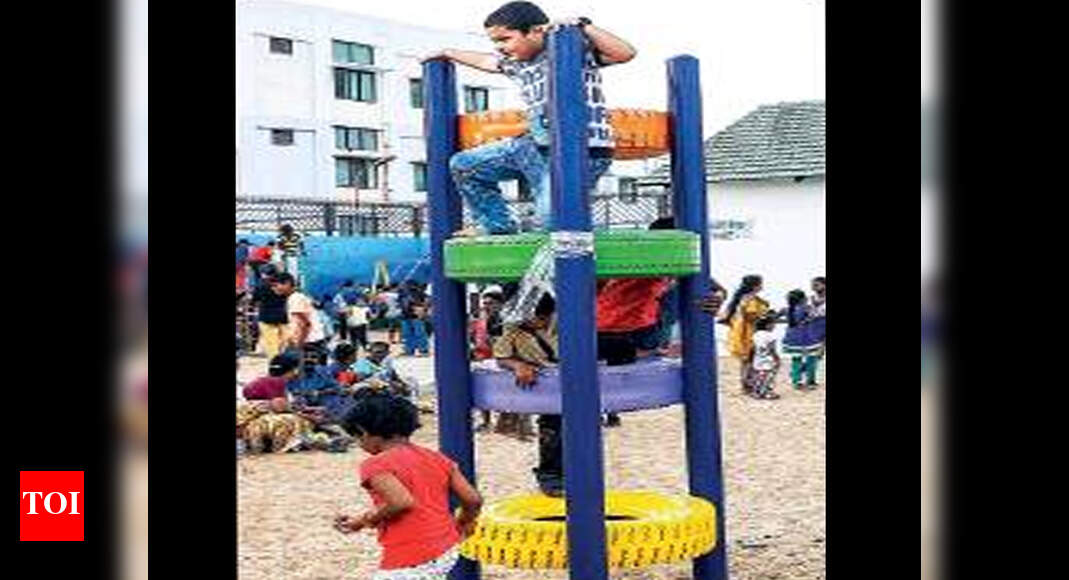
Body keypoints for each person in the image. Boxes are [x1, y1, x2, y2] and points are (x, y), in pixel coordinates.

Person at [426, 1, 636, 235]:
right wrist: (448, 53)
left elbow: (625, 53)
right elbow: (486, 62)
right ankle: (496, 225)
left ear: (537, 30)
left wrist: (583, 25)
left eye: (505, 39)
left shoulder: (573, 51)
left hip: (580, 152)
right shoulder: (517, 62)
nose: (500, 47)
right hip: (533, 147)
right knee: (466, 166)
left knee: (552, 223)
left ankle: (588, 239)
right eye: (495, 41)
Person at [333, 392, 482, 579]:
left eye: (357, 438)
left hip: (409, 555)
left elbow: (402, 502)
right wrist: (463, 523)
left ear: (363, 432)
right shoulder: (437, 458)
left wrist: (366, 519)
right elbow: (472, 499)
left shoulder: (375, 464)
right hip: (446, 549)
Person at [494, 294, 560, 494]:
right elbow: (501, 355)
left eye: (543, 318)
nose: (539, 323)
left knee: (576, 431)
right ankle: (550, 478)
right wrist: (517, 364)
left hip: (568, 377)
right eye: (535, 318)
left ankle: (572, 475)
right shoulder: (514, 327)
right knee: (551, 429)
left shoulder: (563, 319)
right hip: (544, 387)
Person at [723, 275, 770, 392]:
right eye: (760, 283)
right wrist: (766, 316)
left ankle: (746, 384)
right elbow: (752, 315)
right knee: (752, 360)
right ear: (755, 286)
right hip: (749, 332)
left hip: (739, 332)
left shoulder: (740, 298)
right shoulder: (751, 299)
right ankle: (749, 385)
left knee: (746, 361)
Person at [272, 273, 328, 369]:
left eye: (276, 285)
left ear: (287, 283)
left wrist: (298, 344)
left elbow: (304, 323)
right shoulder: (296, 297)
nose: (274, 289)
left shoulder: (295, 299)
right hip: (311, 341)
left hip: (309, 342)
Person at [782, 289, 821, 390]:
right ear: (803, 299)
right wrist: (815, 304)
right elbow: (815, 315)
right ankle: (810, 381)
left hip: (792, 339)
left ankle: (796, 381)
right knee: (812, 359)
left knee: (796, 360)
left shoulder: (786, 309)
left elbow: (773, 317)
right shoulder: (806, 308)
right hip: (808, 338)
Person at [251, 265, 289, 358]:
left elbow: (255, 300)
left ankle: (275, 364)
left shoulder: (260, 285)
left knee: (272, 344)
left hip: (266, 317)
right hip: (283, 316)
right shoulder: (283, 284)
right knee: (285, 342)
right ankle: (286, 364)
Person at [745, 313, 781, 400]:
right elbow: (772, 349)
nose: (774, 326)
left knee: (758, 376)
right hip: (768, 360)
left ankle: (756, 392)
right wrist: (777, 358)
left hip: (757, 360)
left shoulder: (756, 335)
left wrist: (750, 358)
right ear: (768, 325)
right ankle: (767, 392)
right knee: (768, 378)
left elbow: (752, 348)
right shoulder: (771, 336)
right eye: (773, 324)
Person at [807, 276, 826, 388]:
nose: (813, 287)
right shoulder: (810, 298)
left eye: (816, 284)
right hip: (814, 326)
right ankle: (810, 379)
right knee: (814, 354)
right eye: (812, 284)